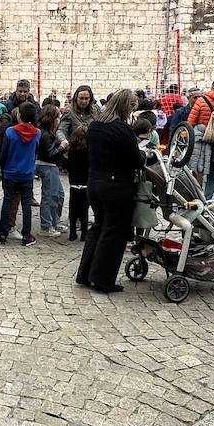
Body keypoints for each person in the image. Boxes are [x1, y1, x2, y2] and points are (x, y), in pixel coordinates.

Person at [76, 89, 142, 293]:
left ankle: (85, 274)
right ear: (126, 106)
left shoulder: (95, 125)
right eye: (132, 106)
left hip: (95, 182)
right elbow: (136, 160)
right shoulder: (122, 129)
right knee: (114, 232)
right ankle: (103, 279)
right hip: (116, 186)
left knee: (98, 227)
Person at [0, 101, 41, 246]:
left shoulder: (10, 132)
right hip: (27, 173)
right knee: (26, 204)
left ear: (18, 115)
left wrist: (1, 166)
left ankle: (3, 234)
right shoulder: (37, 133)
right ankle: (26, 235)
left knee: (8, 202)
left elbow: (3, 153)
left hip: (10, 172)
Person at [35, 104, 66, 237]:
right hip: (47, 165)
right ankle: (47, 224)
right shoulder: (45, 134)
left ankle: (55, 220)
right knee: (50, 196)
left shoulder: (47, 133)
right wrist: (62, 147)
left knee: (58, 194)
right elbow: (50, 154)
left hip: (51, 165)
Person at [66, 124, 91, 242]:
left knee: (73, 209)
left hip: (74, 183)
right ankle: (84, 233)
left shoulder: (71, 150)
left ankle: (72, 233)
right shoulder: (89, 151)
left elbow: (68, 165)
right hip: (85, 183)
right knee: (84, 209)